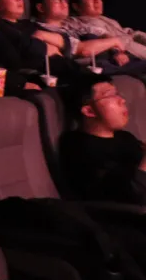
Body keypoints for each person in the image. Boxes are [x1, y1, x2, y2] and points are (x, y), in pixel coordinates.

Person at [60, 75, 146, 205]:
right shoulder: (77, 147)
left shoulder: (124, 137)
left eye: (118, 94)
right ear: (89, 111)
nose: (122, 100)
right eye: (111, 95)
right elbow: (132, 196)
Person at [32, 0, 146, 76]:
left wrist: (116, 50)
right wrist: (114, 42)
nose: (64, 2)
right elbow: (83, 50)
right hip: (86, 67)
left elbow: (101, 33)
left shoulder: (72, 23)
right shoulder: (41, 29)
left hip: (108, 59)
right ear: (40, 7)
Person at [66, 0, 146, 61]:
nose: (97, 1)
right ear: (76, 6)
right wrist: (117, 51)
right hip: (126, 52)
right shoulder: (77, 23)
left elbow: (125, 32)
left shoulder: (105, 19)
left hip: (132, 43)